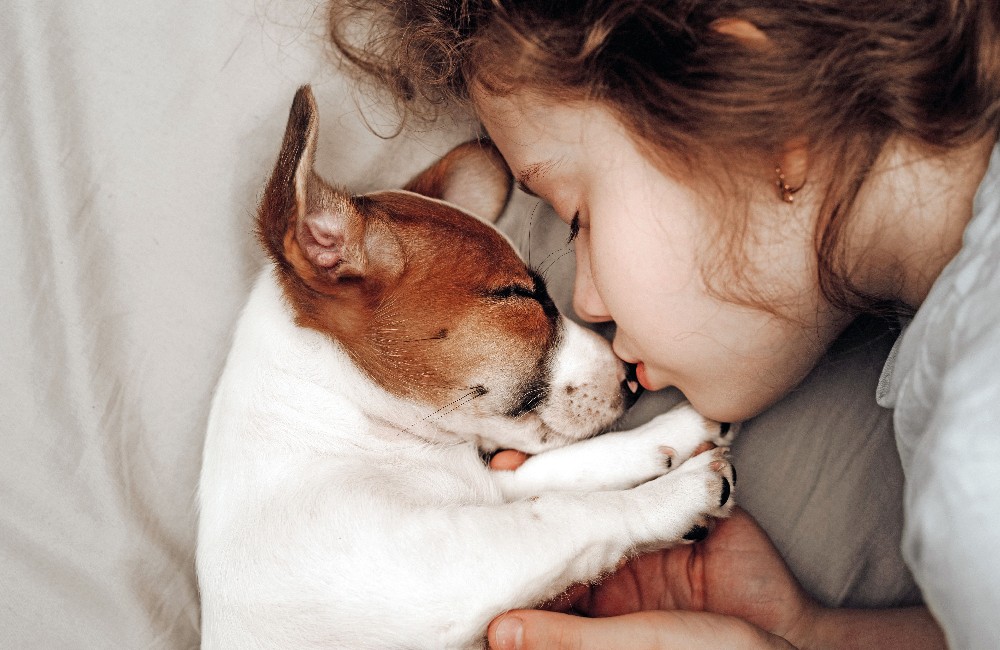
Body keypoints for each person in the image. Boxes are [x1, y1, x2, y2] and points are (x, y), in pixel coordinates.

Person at [327, 1, 1000, 647]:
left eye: (578, 220)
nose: (584, 302)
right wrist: (807, 638)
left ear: (753, 112)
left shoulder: (977, 450)